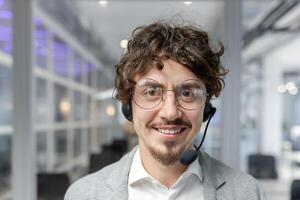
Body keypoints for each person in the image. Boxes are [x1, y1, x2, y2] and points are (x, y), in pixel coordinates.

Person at [64, 21, 266, 200]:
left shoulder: (248, 193)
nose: (170, 113)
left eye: (187, 93)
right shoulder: (83, 194)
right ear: (128, 106)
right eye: (151, 92)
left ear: (206, 109)